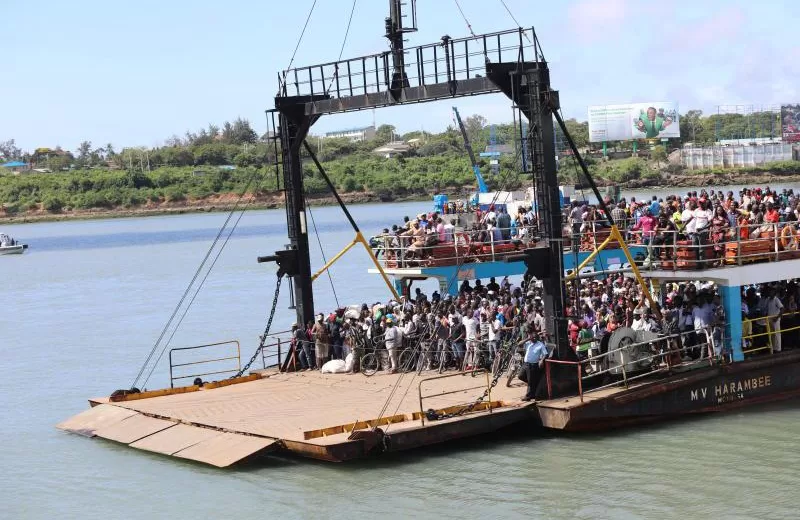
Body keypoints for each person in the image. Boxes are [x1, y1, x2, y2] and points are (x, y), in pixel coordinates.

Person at [521, 332, 548, 401]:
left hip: (533, 365)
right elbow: (519, 344)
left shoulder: (540, 344)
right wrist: (527, 339)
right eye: (533, 337)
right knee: (520, 376)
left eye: (536, 337)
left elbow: (545, 354)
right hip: (525, 364)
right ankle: (533, 385)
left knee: (530, 382)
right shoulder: (528, 343)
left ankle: (528, 396)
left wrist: (541, 360)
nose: (535, 339)